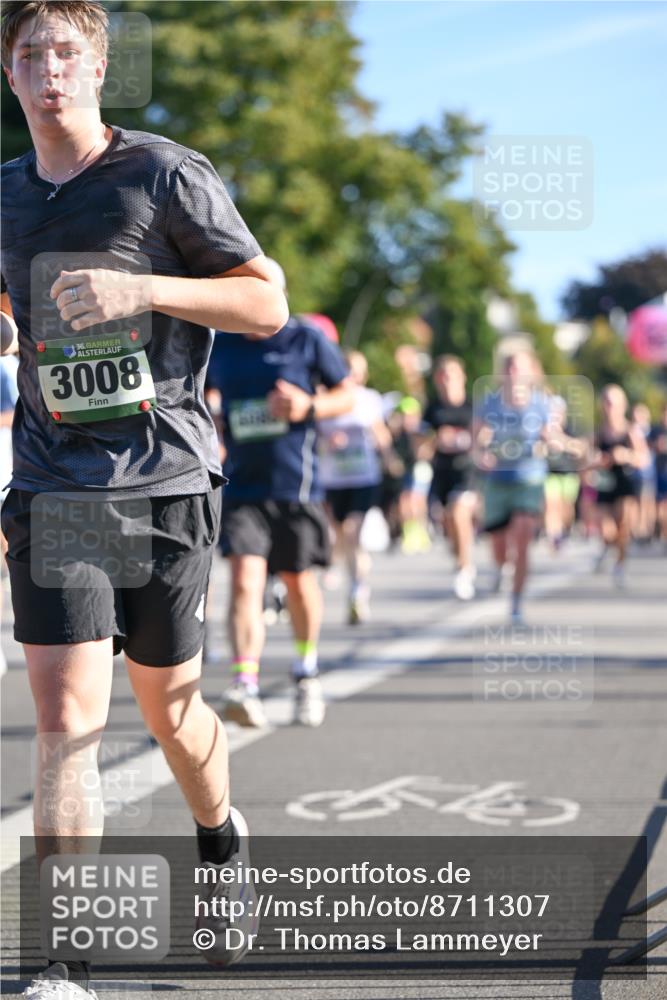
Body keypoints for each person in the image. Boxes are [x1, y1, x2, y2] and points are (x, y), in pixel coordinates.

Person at [0, 2, 289, 993]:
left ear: (98, 69)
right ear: (10, 73)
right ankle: (65, 959)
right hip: (53, 482)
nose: (47, 71)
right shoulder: (3, 194)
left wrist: (146, 293)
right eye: (29, 54)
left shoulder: (165, 173)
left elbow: (266, 299)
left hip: (163, 478)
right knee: (65, 721)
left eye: (65, 54)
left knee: (171, 713)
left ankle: (219, 835)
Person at [206, 262, 353, 729]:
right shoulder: (222, 345)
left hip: (296, 485)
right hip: (242, 484)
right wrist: (211, 423)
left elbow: (347, 394)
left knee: (298, 583)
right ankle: (244, 684)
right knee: (246, 580)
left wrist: (309, 405)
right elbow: (199, 397)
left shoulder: (306, 339)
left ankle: (306, 671)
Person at [474, 349, 552, 625]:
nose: (513, 373)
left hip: (529, 478)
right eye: (508, 367)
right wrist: (482, 452)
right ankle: (500, 569)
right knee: (498, 546)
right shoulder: (489, 403)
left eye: (518, 367)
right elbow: (478, 438)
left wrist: (550, 441)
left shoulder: (541, 404)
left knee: (522, 537)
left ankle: (516, 600)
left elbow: (551, 435)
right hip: (498, 480)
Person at [318, 350, 396, 624]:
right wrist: (328, 442)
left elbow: (379, 431)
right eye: (349, 369)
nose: (354, 375)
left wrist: (389, 458)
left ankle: (357, 591)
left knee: (353, 532)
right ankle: (352, 573)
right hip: (333, 479)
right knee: (338, 536)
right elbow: (313, 435)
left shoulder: (368, 399)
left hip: (363, 477)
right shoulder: (326, 398)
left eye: (359, 371)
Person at [423, 355, 477, 600]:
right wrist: (435, 440)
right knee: (449, 524)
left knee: (459, 513)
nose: (448, 380)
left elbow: (485, 439)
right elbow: (420, 449)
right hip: (441, 472)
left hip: (467, 471)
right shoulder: (432, 409)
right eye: (443, 375)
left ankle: (465, 570)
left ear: (462, 377)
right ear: (437, 380)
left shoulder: (472, 407)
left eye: (452, 374)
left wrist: (462, 439)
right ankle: (461, 559)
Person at [590, 385, 649, 586]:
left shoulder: (630, 431)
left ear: (622, 405)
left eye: (613, 403)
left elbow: (643, 458)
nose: (609, 407)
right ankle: (607, 547)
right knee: (607, 530)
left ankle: (620, 566)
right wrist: (597, 461)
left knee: (623, 527)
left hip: (625, 483)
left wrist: (625, 456)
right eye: (606, 402)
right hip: (606, 483)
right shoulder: (599, 432)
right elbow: (588, 458)